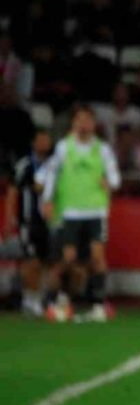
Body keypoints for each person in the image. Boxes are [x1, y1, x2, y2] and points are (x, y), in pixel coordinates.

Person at [39, 106, 120, 322]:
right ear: (74, 123)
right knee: (67, 258)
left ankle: (98, 304)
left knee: (97, 257)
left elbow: (115, 178)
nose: (84, 124)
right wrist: (47, 200)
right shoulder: (64, 148)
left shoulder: (102, 150)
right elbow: (52, 175)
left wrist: (109, 182)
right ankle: (56, 299)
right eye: (80, 120)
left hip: (95, 211)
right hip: (70, 212)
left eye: (88, 120)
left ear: (94, 124)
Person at [4, 130, 53, 317]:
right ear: (33, 142)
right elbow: (13, 191)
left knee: (44, 261)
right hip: (29, 222)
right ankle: (29, 300)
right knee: (30, 261)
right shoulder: (25, 165)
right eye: (40, 139)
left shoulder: (52, 164)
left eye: (46, 138)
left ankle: (38, 297)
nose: (44, 142)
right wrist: (10, 218)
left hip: (49, 222)